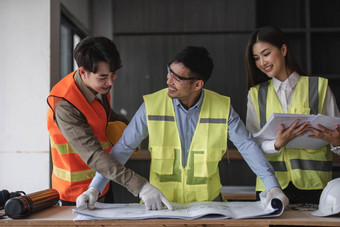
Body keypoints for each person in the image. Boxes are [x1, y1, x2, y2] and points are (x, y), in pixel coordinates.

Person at [77, 46, 288, 209]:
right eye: (169, 72)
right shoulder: (152, 105)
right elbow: (122, 149)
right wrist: (95, 188)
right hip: (161, 206)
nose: (168, 80)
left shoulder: (222, 107)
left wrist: (273, 187)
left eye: (177, 78)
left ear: (197, 85)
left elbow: (247, 146)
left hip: (209, 208)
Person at [47, 36, 171, 209]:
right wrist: (141, 186)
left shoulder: (98, 86)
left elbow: (104, 114)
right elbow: (93, 154)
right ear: (83, 72)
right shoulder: (65, 105)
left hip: (102, 182)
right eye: (103, 76)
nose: (110, 82)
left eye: (113, 74)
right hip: (76, 195)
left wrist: (128, 128)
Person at [245, 26, 340, 204]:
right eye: (256, 58)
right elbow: (251, 144)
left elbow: (337, 135)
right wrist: (276, 144)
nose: (262, 62)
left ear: (283, 50)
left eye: (266, 54)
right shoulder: (255, 95)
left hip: (315, 186)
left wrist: (336, 141)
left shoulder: (319, 88)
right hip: (271, 186)